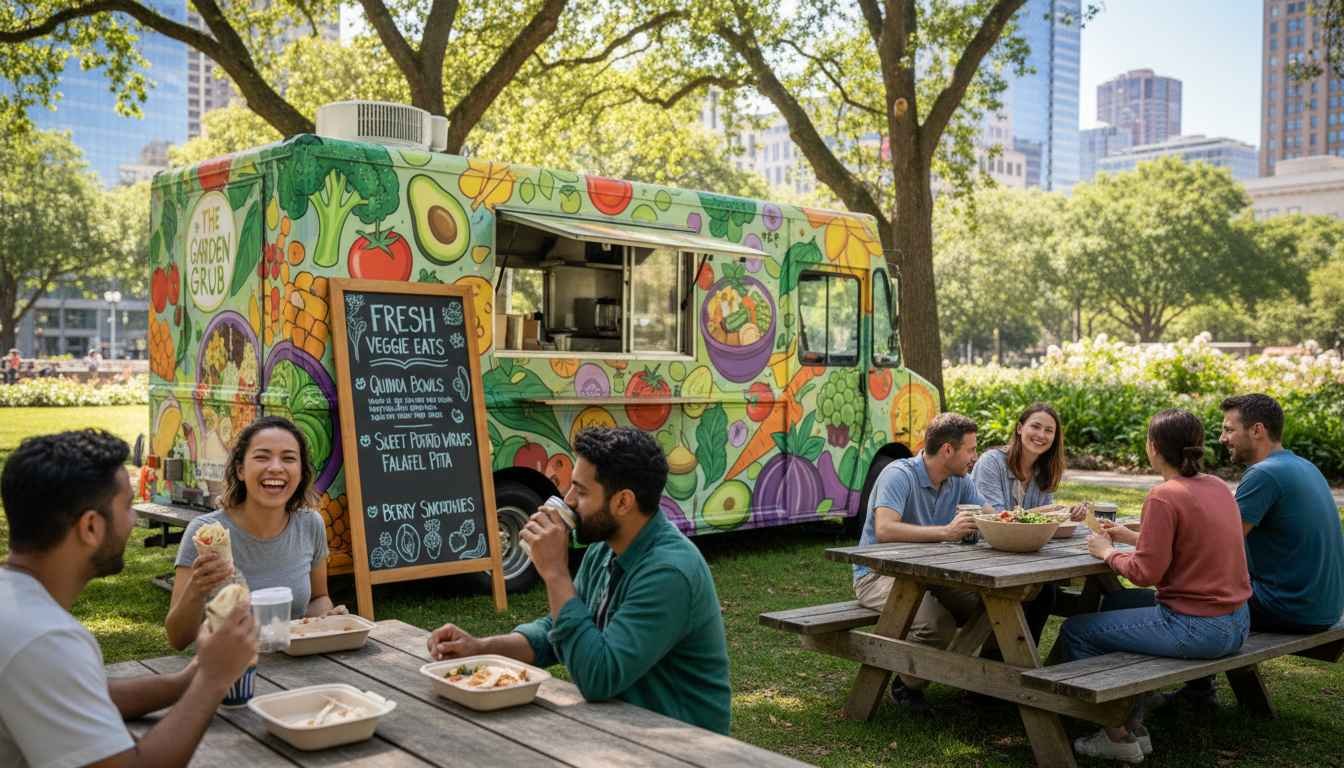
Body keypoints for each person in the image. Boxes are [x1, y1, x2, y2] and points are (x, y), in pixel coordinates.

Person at [426, 427, 732, 734]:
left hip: (681, 747)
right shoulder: (605, 547)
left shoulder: (669, 573)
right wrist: (480, 648)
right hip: (621, 730)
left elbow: (598, 678)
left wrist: (555, 572)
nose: (568, 501)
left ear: (623, 502)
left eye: (582, 492)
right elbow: (558, 631)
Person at [1, 429, 258, 767]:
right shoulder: (44, 639)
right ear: (91, 527)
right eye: (127, 506)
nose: (135, 521)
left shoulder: (15, 605)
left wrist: (187, 679)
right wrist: (213, 680)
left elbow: (85, 695)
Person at [1056, 409, 1251, 763]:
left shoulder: (1164, 495)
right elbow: (1189, 547)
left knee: (1076, 630)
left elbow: (1145, 573)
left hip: (1197, 629)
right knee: (1117, 605)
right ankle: (1135, 724)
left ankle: (1116, 736)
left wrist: (1107, 552)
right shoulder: (1217, 487)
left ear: (1154, 446)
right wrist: (1132, 537)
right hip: (1237, 622)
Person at [1155, 393, 1344, 711]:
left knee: (1189, 601)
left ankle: (1195, 696)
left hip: (1290, 607)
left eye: (1229, 429)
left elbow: (1216, 543)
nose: (1222, 438)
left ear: (1257, 430)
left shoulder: (1264, 475)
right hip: (1324, 605)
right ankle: (1198, 692)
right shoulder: (1302, 466)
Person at [852, 412, 997, 711]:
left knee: (990, 610)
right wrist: (946, 532)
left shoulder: (960, 481)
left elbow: (992, 516)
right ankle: (907, 685)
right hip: (877, 575)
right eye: (970, 449)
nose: (974, 457)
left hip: (933, 574)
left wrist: (1033, 521)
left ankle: (943, 669)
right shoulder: (898, 474)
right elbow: (885, 529)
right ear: (947, 450)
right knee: (937, 624)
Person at [165, 415, 343, 649]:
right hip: (227, 673)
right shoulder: (204, 533)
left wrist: (324, 620)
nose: (276, 468)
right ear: (240, 470)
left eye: (289, 458)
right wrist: (196, 589)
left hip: (296, 667)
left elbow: (319, 598)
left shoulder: (310, 525)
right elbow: (178, 639)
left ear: (300, 472)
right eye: (262, 457)